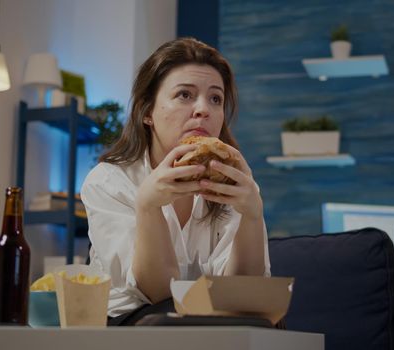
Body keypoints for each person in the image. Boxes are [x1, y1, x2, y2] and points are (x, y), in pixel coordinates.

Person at [80, 37, 271, 326]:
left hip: (219, 330)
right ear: (147, 112)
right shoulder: (108, 182)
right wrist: (147, 206)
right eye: (185, 95)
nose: (203, 109)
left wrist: (253, 216)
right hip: (131, 328)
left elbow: (242, 296)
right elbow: (158, 291)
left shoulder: (235, 182)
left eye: (215, 98)